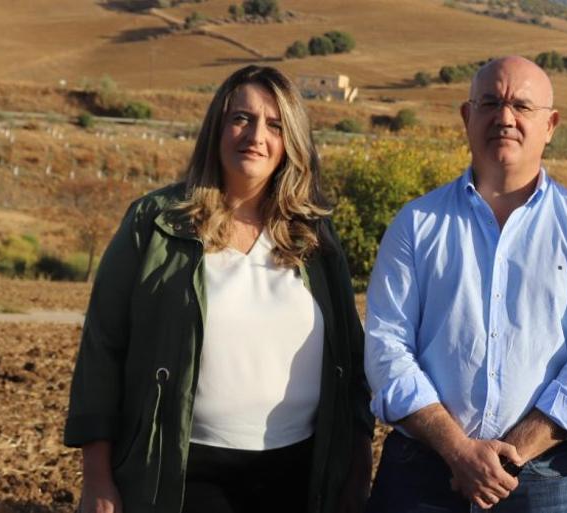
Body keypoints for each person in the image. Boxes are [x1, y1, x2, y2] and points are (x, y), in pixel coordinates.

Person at [63, 65, 373, 513]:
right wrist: (97, 477)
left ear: (291, 143)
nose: (256, 135)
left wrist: (357, 471)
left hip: (299, 471)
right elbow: (103, 348)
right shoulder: (155, 222)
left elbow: (350, 356)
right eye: (241, 118)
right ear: (217, 128)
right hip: (184, 469)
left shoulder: (314, 236)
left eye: (275, 125)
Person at [363, 56, 567, 513]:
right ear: (467, 117)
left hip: (542, 475)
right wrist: (457, 450)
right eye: (490, 102)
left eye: (522, 106)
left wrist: (515, 452)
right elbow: (386, 347)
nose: (504, 117)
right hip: (422, 471)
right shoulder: (417, 223)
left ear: (551, 125)